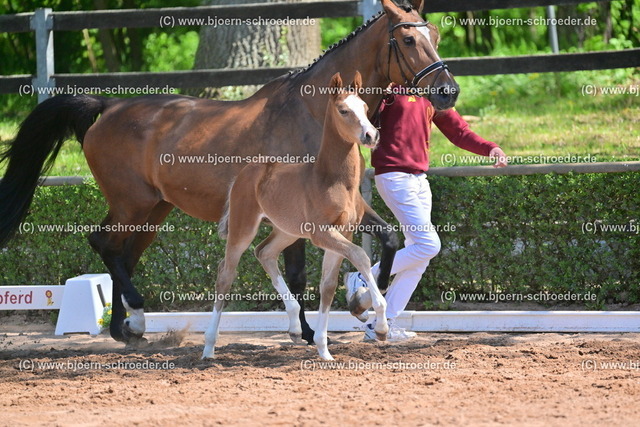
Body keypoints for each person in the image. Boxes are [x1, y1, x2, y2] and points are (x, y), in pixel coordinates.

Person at [345, 85, 508, 342]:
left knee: (419, 257)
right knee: (428, 245)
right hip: (394, 177)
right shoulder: (386, 89)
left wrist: (490, 148)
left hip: (420, 180)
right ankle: (363, 276)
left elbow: (458, 131)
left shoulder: (430, 92)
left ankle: (380, 325)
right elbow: (359, 121)